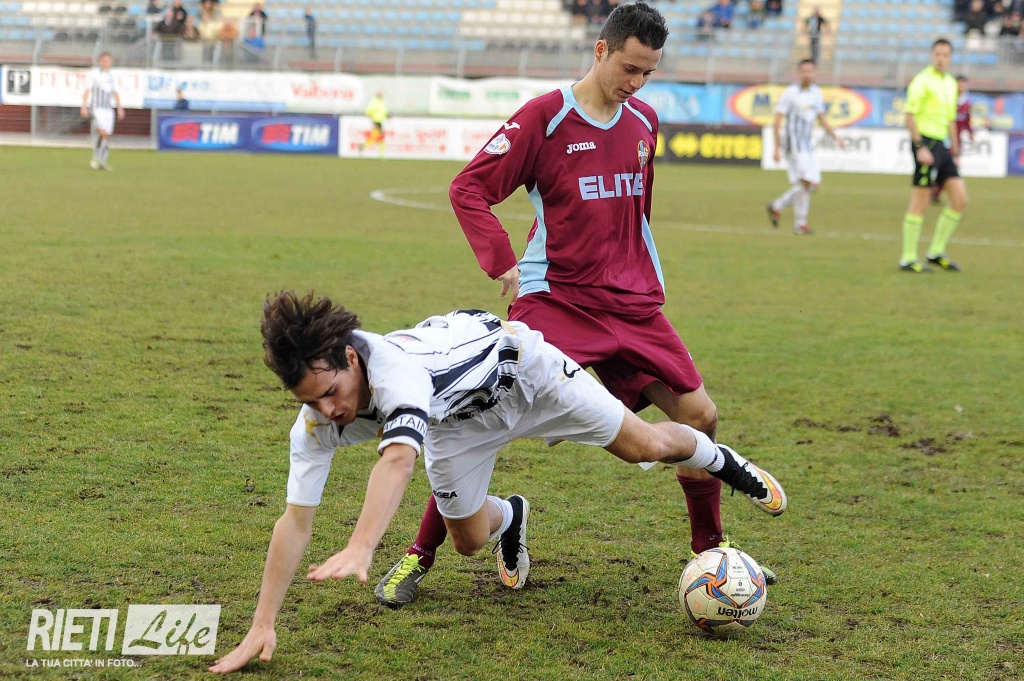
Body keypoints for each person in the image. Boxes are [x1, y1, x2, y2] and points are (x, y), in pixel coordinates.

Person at [375, 2, 781, 611]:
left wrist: (637, 278)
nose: (637, 82)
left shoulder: (644, 121)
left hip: (631, 303)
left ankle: (711, 552)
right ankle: (422, 552)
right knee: (482, 409)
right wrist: (502, 262)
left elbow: (634, 214)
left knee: (700, 415)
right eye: (629, 67)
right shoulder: (545, 118)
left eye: (648, 72)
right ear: (601, 50)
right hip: (557, 300)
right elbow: (469, 188)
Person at [208, 292, 787, 674]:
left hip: (526, 372)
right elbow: (295, 521)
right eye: (311, 401)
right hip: (457, 424)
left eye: (331, 392)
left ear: (351, 360)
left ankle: (722, 460)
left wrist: (361, 546)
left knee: (646, 446)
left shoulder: (395, 373)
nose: (328, 410)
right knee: (467, 541)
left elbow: (397, 462)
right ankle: (512, 515)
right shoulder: (314, 424)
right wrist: (262, 624)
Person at [899, 38, 968, 273]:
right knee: (921, 201)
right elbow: (909, 116)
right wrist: (920, 146)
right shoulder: (922, 81)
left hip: (942, 147)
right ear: (932, 55)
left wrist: (955, 151)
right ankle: (908, 258)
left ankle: (936, 252)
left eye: (945, 55)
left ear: (950, 57)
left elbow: (951, 120)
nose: (941, 58)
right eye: (938, 54)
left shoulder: (950, 83)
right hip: (925, 143)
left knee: (959, 199)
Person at [766, 59, 843, 236]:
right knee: (809, 182)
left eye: (810, 71)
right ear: (799, 73)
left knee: (810, 185)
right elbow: (777, 120)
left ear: (815, 73)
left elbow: (821, 119)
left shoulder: (816, 93)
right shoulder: (790, 93)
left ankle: (784, 211)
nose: (807, 74)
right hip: (793, 144)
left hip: (807, 145)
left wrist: (835, 137)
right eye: (804, 71)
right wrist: (776, 148)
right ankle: (794, 219)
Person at [931, 74, 973, 204]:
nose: (961, 86)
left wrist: (971, 133)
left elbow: (966, 122)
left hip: (956, 141)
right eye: (959, 83)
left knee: (950, 168)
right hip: (944, 140)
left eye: (963, 84)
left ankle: (936, 192)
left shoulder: (966, 103)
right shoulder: (948, 100)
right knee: (948, 168)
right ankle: (935, 191)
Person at [80, 52, 125, 171]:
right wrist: (84, 106)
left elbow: (115, 92)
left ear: (111, 62)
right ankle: (96, 158)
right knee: (102, 132)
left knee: (106, 136)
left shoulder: (113, 75)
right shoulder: (94, 74)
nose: (106, 63)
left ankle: (101, 161)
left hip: (108, 110)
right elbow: (87, 90)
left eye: (108, 61)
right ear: (100, 62)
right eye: (104, 61)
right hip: (97, 108)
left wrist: (119, 108)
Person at [359, 91, 388, 156]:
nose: (382, 95)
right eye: (380, 94)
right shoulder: (374, 102)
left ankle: (381, 154)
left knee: (380, 139)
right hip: (376, 122)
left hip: (380, 122)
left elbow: (383, 113)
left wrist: (387, 116)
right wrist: (373, 122)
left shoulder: (382, 102)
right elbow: (368, 112)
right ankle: (362, 146)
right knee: (375, 139)